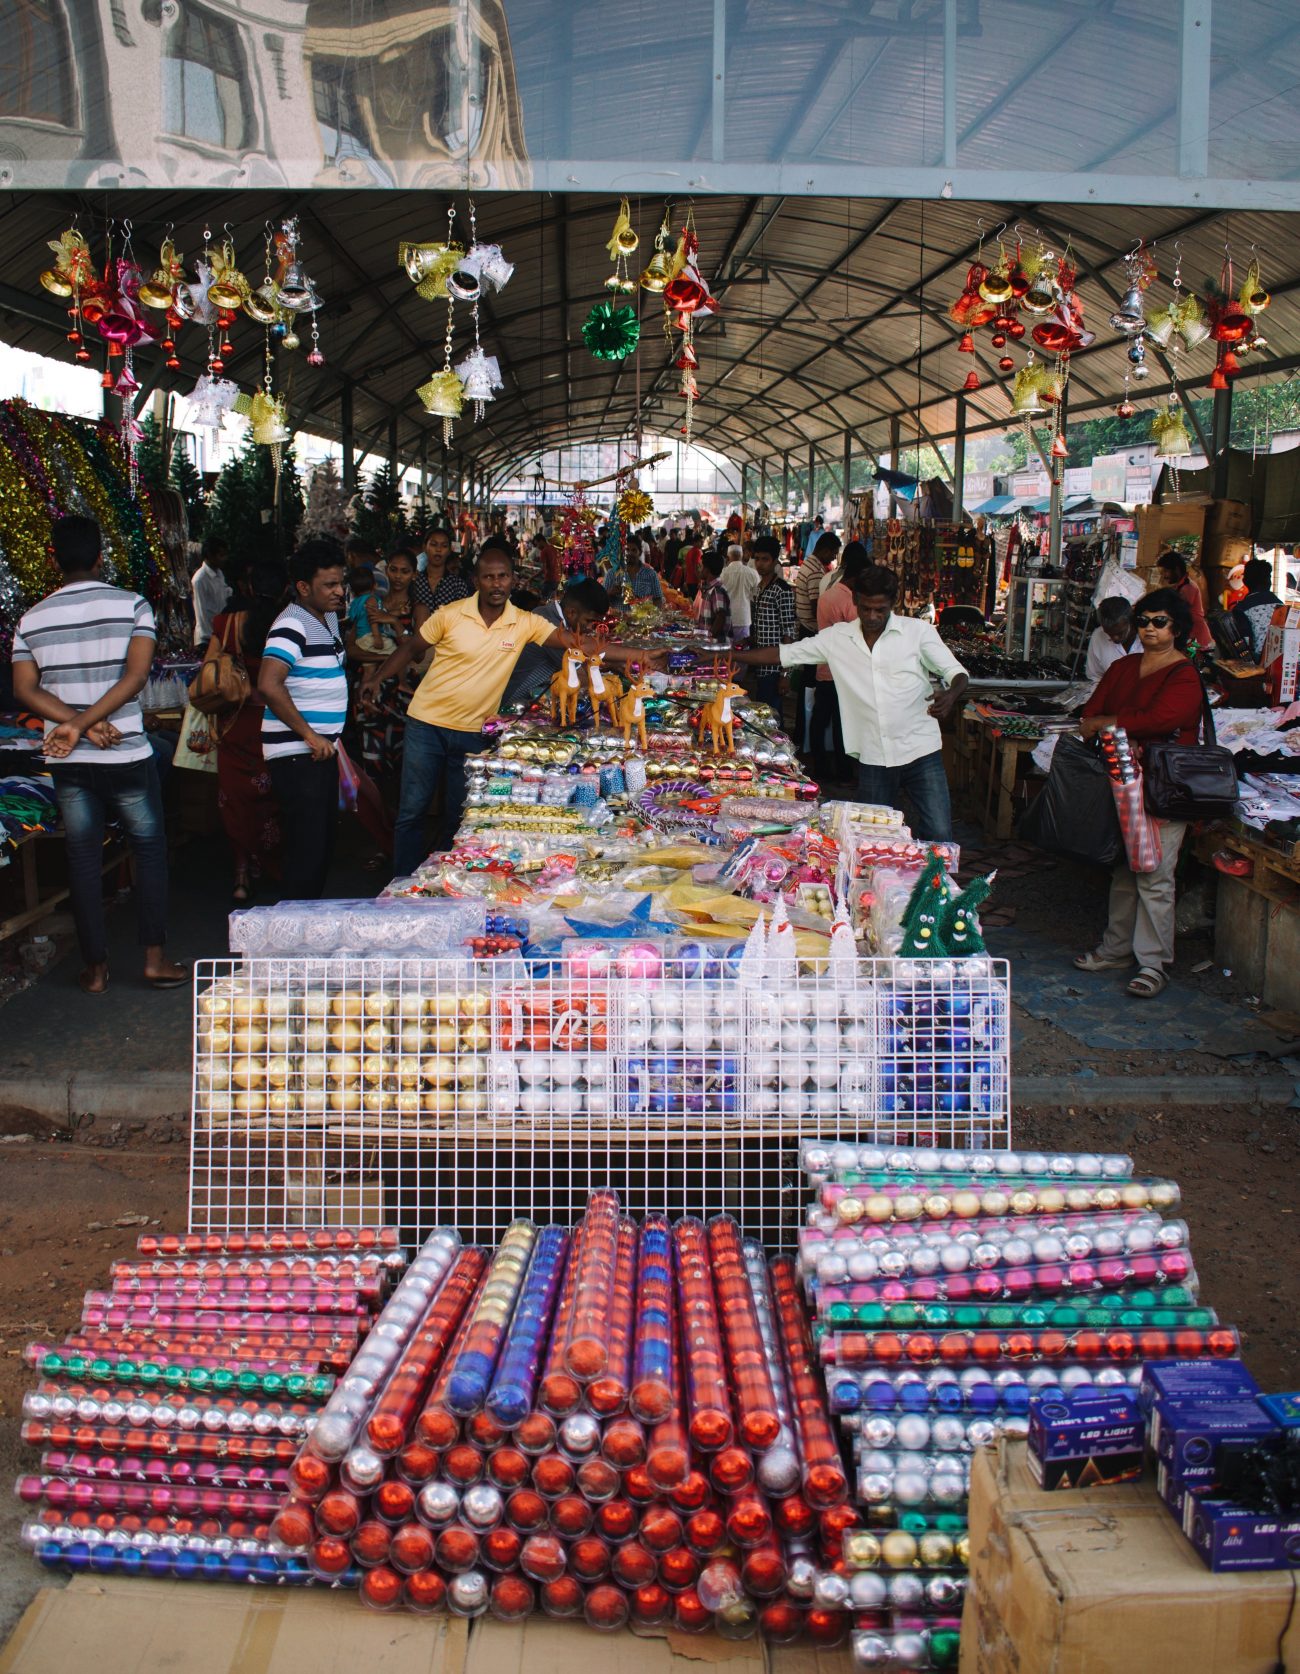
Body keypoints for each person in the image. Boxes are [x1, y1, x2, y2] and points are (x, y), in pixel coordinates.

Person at [11, 515, 186, 993]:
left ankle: (96, 970)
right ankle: (154, 960)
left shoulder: (32, 618)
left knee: (83, 858)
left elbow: (25, 688)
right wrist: (90, 724)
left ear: (54, 559)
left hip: (68, 759)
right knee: (149, 851)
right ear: (100, 557)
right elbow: (135, 677)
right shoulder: (132, 605)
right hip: (126, 752)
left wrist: (74, 725)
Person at [362, 548, 603, 875]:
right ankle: (403, 883)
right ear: (476, 581)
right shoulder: (450, 614)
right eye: (488, 577)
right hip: (426, 725)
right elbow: (410, 648)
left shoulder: (524, 622)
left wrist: (642, 656)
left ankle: (443, 879)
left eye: (503, 576)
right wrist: (377, 678)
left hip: (474, 733)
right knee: (412, 811)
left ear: (512, 579)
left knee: (460, 814)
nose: (496, 583)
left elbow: (579, 646)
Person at [731, 564, 968, 840]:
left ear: (893, 603)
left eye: (880, 609)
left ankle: (937, 883)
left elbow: (957, 673)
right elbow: (783, 654)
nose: (872, 616)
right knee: (871, 837)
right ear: (855, 600)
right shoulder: (837, 638)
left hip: (921, 751)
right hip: (874, 756)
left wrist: (951, 695)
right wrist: (729, 654)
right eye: (866, 608)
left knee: (939, 833)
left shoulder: (918, 633)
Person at [1073, 588, 1205, 1000]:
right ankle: (1116, 949)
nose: (1149, 628)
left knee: (1155, 874)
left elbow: (1164, 718)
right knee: (1125, 869)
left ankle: (1153, 962)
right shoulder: (1125, 667)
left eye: (1159, 622)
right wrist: (1109, 722)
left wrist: (1111, 723)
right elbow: (1089, 714)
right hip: (1122, 782)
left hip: (1163, 787)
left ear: (1176, 628)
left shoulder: (1184, 674)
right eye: (1144, 621)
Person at [257, 538, 349, 901]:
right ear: (303, 587)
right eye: (329, 584)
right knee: (307, 850)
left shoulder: (326, 618)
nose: (339, 591)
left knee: (320, 845)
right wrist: (310, 735)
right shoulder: (291, 624)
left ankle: (304, 924)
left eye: (340, 582)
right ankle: (292, 933)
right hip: (298, 755)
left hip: (318, 752)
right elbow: (268, 683)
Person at [206, 562, 286, 903]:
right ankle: (271, 864)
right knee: (272, 800)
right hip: (275, 720)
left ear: (249, 588)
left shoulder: (228, 624)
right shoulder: (288, 625)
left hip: (235, 722)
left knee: (234, 799)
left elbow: (209, 671)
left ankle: (240, 872)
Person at [498, 578, 653, 711]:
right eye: (589, 621)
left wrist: (611, 665)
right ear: (572, 612)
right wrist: (621, 686)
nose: (591, 628)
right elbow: (582, 675)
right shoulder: (549, 623)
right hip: (512, 704)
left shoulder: (553, 615)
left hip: (532, 697)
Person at [357, 549, 419, 777]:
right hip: (373, 689)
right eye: (393, 570)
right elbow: (353, 648)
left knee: (405, 761)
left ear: (414, 574)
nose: (398, 576)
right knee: (372, 762)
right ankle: (376, 811)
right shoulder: (372, 603)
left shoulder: (418, 609)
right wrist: (391, 658)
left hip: (404, 693)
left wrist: (394, 622)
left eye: (405, 571)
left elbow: (417, 654)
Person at [812, 542, 869, 782]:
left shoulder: (828, 595)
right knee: (841, 724)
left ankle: (820, 769)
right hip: (842, 672)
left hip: (824, 667)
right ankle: (844, 773)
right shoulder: (850, 602)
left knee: (820, 720)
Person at [749, 537, 796, 713]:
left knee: (772, 717)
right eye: (757, 559)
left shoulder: (781, 590)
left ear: (775, 561)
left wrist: (785, 674)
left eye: (765, 559)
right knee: (764, 713)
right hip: (761, 664)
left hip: (775, 668)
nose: (760, 564)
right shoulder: (760, 587)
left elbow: (789, 633)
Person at [412, 521, 472, 629]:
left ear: (449, 550)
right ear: (425, 547)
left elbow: (463, 619)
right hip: (418, 641)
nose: (438, 549)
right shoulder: (415, 581)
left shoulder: (457, 584)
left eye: (444, 546)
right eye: (433, 544)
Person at [1156, 551, 1213, 651]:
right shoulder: (1179, 587)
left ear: (1176, 570)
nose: (1164, 576)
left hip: (1197, 641)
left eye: (1166, 571)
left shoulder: (1188, 588)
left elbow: (1178, 613)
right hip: (1190, 637)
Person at [1229, 556, 1282, 660]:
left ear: (1245, 581)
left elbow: (1243, 646)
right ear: (1269, 581)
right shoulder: (1282, 606)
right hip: (1281, 661)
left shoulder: (1242, 609)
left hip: (1257, 664)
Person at [1085, 597, 1138, 686]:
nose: (1115, 638)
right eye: (1109, 634)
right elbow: (1095, 677)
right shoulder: (1098, 636)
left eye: (1120, 633)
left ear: (1130, 620)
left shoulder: (1147, 638)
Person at [795, 532, 839, 635]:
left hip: (804, 625)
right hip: (810, 630)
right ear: (825, 551)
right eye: (834, 554)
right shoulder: (815, 571)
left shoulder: (809, 562)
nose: (834, 558)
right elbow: (816, 608)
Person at [191, 534, 230, 648]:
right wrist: (209, 639)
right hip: (207, 638)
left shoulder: (219, 573)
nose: (224, 559)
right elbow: (201, 612)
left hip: (220, 634)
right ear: (210, 555)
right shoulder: (200, 579)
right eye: (221, 555)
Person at [719, 543, 758, 646]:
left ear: (728, 556)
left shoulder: (722, 573)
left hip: (725, 617)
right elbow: (756, 594)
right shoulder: (752, 573)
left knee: (725, 651)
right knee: (741, 652)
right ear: (741, 555)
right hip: (743, 617)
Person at [696, 551, 732, 641]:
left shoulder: (716, 590)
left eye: (700, 567)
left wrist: (710, 637)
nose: (698, 569)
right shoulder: (710, 588)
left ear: (707, 570)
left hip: (715, 643)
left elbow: (721, 616)